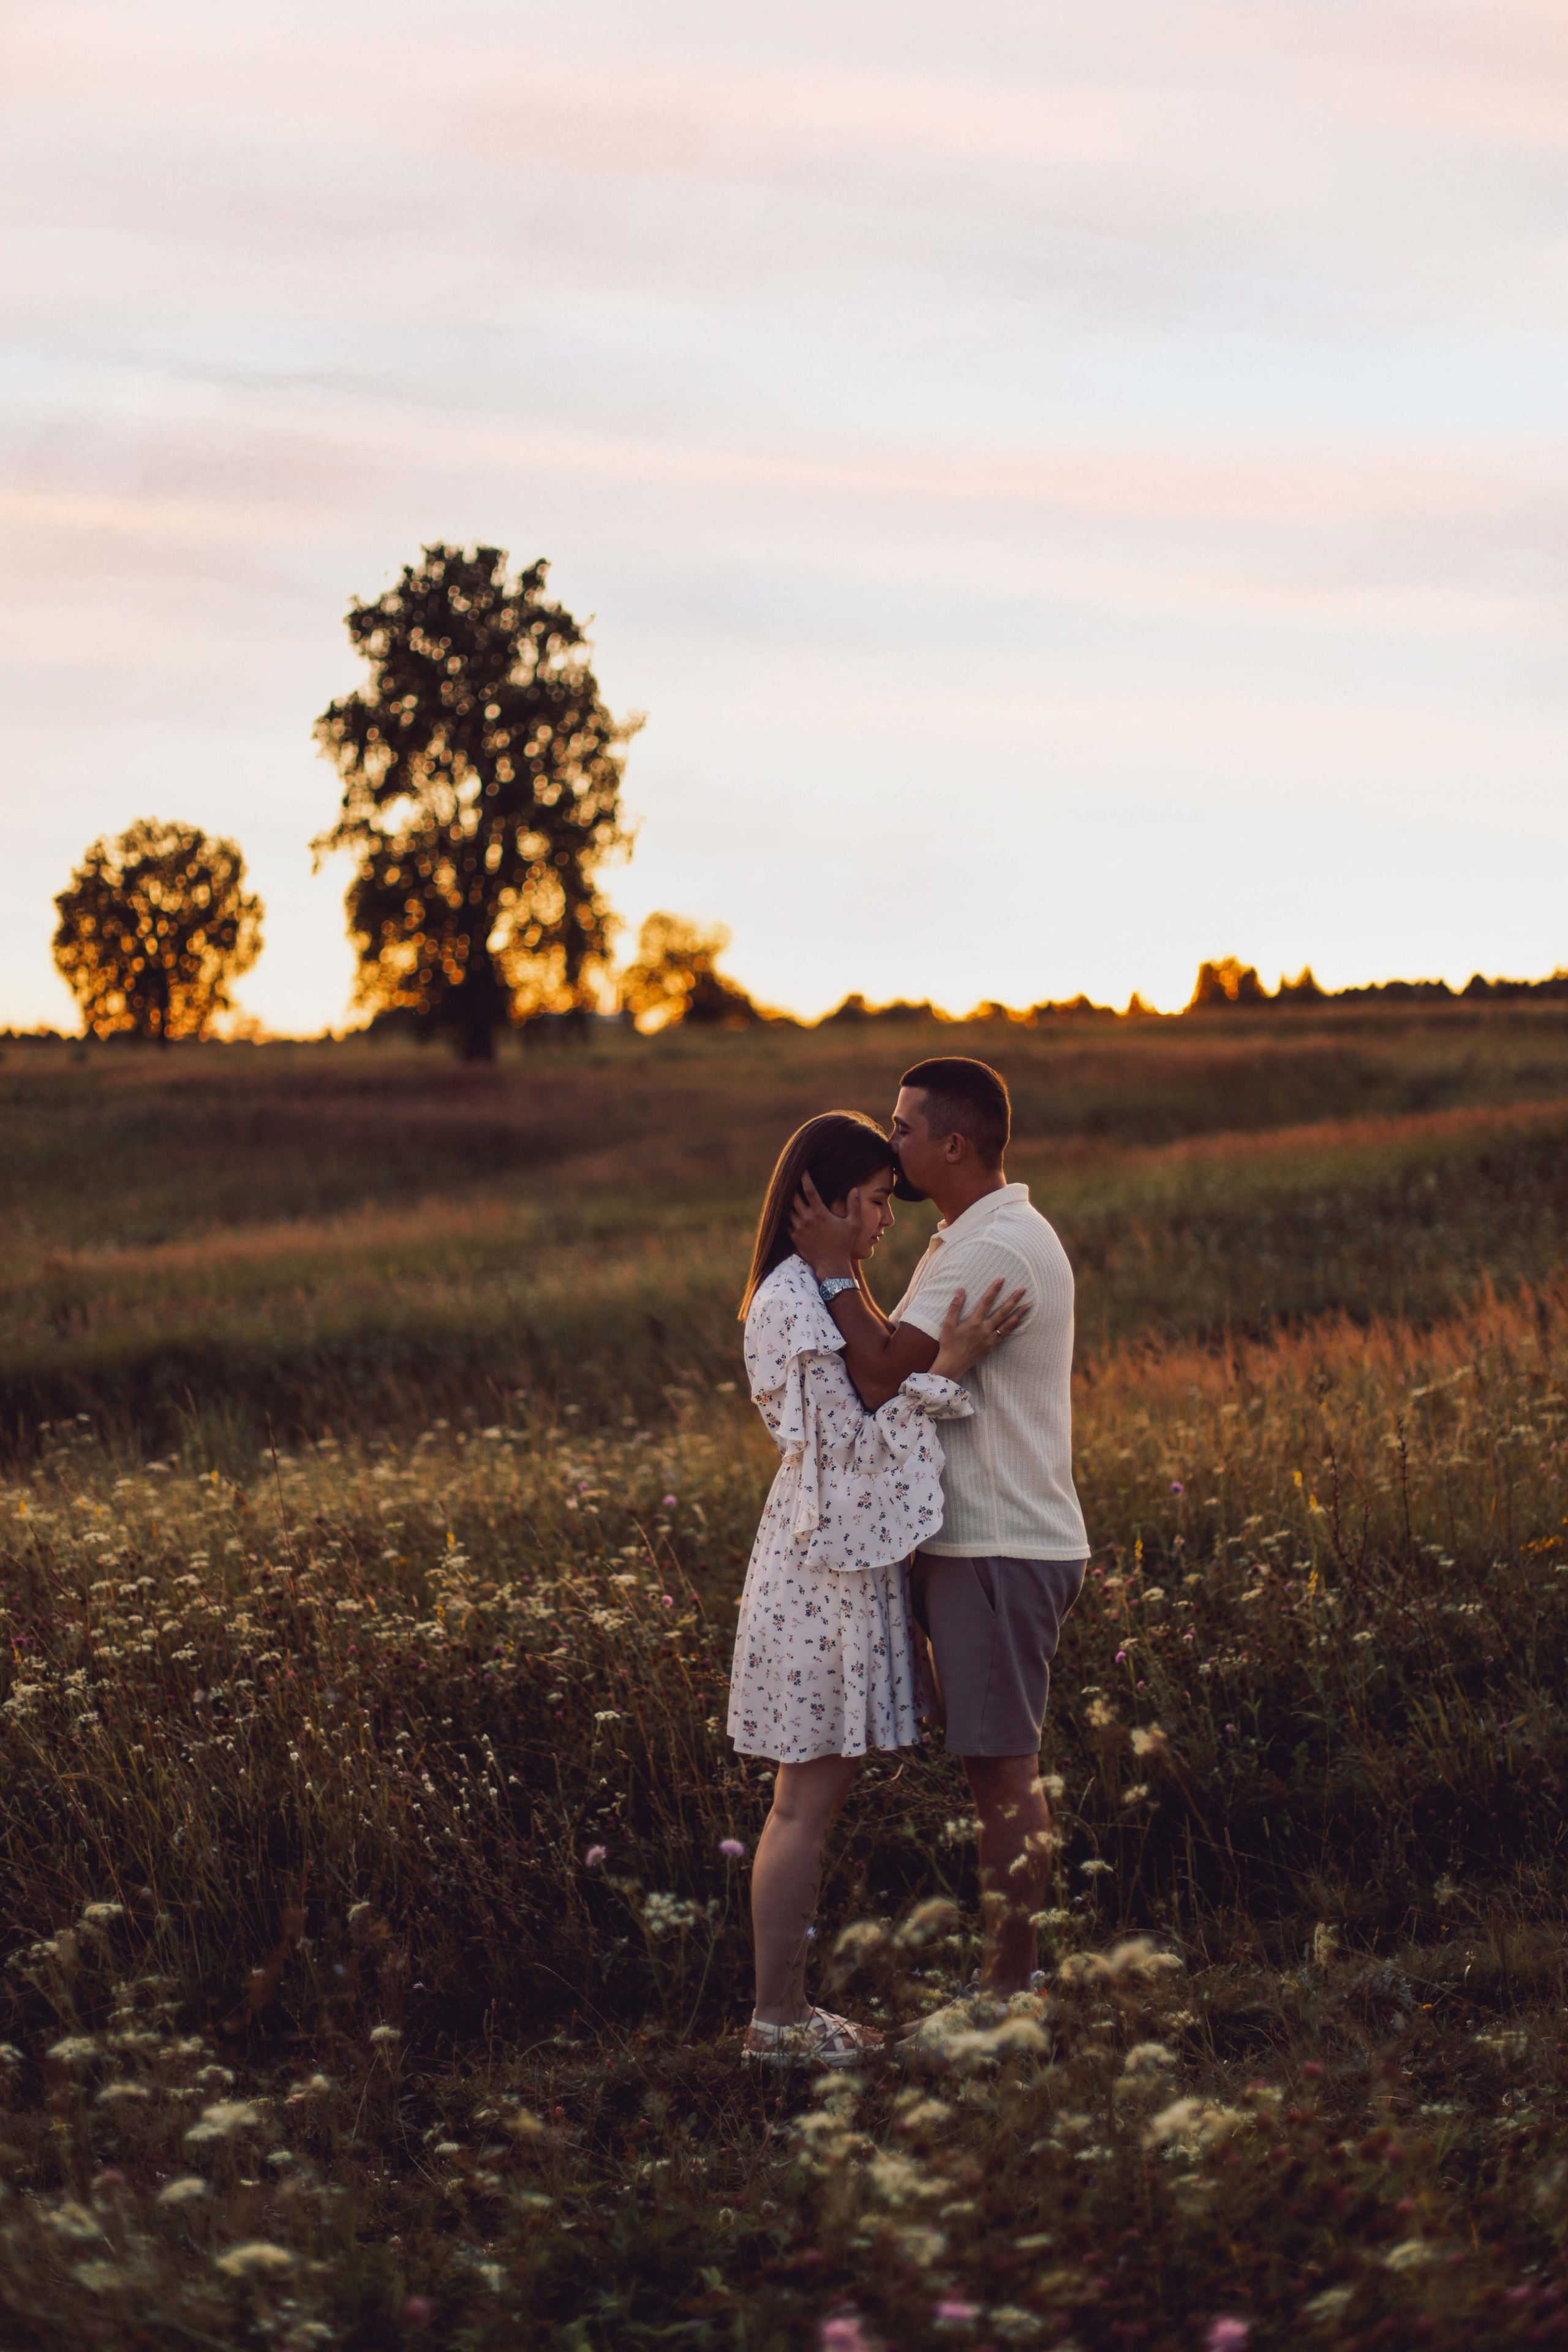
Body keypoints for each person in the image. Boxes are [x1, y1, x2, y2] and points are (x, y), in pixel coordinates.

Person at [790, 1057, 1088, 2025]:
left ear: (954, 1145)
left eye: (905, 1127)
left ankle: (1010, 1994)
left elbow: (878, 1373)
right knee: (993, 1767)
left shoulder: (989, 1247)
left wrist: (834, 1269)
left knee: (1003, 1773)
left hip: (999, 1544)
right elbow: (903, 1360)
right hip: (985, 1544)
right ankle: (1010, 1982)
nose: (893, 1141)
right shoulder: (970, 1234)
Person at [730, 1110, 1026, 2070]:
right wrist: (950, 1369)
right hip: (820, 1572)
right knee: (800, 1807)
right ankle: (776, 2025)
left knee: (808, 1803)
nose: (885, 1219)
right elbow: (849, 1458)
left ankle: (788, 2016)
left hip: (837, 1570)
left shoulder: (826, 1290)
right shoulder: (792, 1303)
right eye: (871, 1201)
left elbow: (867, 1406)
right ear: (819, 1202)